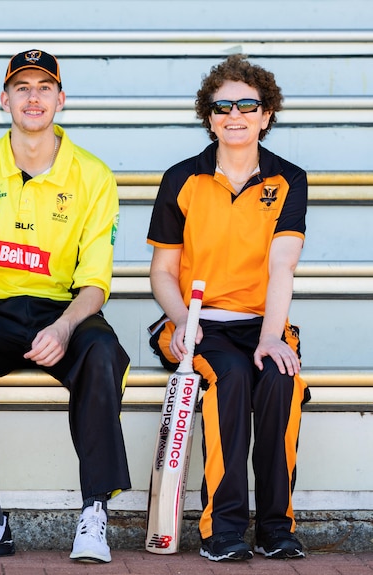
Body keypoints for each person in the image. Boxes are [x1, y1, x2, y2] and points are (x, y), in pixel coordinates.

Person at [0, 50, 131, 564]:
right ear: (4, 99)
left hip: (64, 308)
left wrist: (63, 329)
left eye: (44, 87)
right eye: (22, 87)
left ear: (61, 99)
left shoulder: (94, 174)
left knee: (104, 353)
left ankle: (94, 514)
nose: (33, 96)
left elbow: (96, 284)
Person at [147, 54, 309, 562]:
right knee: (232, 378)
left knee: (281, 379)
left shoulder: (288, 180)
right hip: (197, 326)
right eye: (222, 107)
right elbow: (162, 272)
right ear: (209, 116)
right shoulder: (182, 178)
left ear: (266, 114)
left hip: (263, 323)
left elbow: (282, 266)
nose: (233, 115)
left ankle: (276, 528)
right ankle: (224, 528)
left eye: (247, 105)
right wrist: (180, 321)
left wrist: (271, 337)